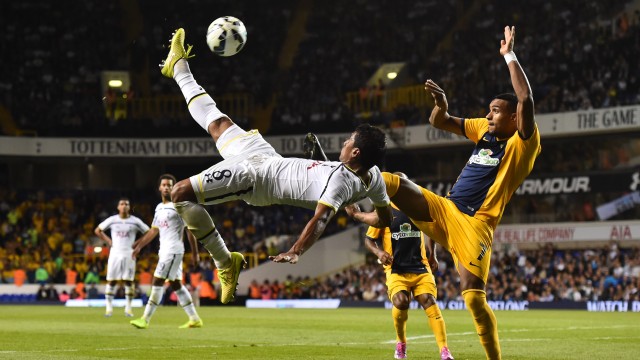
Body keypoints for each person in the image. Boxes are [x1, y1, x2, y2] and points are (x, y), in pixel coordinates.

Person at [346, 26, 540, 359]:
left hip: (475, 226)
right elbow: (440, 121)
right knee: (397, 180)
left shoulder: (524, 144)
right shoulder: (483, 129)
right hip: (444, 209)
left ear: (513, 118)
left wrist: (509, 55)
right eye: (489, 109)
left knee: (473, 300)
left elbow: (525, 99)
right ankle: (346, 177)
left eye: (495, 110)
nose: (488, 114)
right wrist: (440, 104)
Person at [159, 28, 393, 303]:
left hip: (255, 178)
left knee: (179, 194)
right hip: (266, 156)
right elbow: (385, 218)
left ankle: (225, 262)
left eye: (348, 140)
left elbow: (319, 221)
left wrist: (296, 250)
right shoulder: (374, 175)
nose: (343, 141)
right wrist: (360, 216)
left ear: (354, 152)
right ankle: (178, 67)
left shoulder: (340, 183)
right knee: (217, 122)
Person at [365, 172, 453, 360]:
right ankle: (401, 343)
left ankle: (444, 351)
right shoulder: (384, 210)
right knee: (401, 301)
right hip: (396, 269)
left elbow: (431, 230)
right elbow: (369, 240)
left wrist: (433, 254)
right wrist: (379, 252)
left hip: (420, 266)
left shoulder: (417, 207)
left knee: (428, 301)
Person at [130, 174, 204, 329]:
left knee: (157, 281)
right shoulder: (159, 207)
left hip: (173, 251)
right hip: (164, 251)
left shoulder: (180, 206)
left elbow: (190, 230)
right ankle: (194, 318)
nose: (167, 187)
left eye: (170, 185)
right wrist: (139, 245)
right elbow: (153, 231)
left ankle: (145, 318)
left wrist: (195, 254)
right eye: (164, 185)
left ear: (174, 187)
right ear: (159, 188)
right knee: (176, 284)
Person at [95, 197, 150, 317]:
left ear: (129, 207)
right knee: (111, 280)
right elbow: (98, 230)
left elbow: (148, 232)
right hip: (115, 252)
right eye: (122, 204)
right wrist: (108, 240)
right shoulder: (113, 220)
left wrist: (138, 243)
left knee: (128, 281)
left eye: (126, 204)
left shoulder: (135, 221)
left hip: (129, 253)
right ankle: (109, 309)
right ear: (118, 207)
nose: (124, 206)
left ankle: (128, 309)